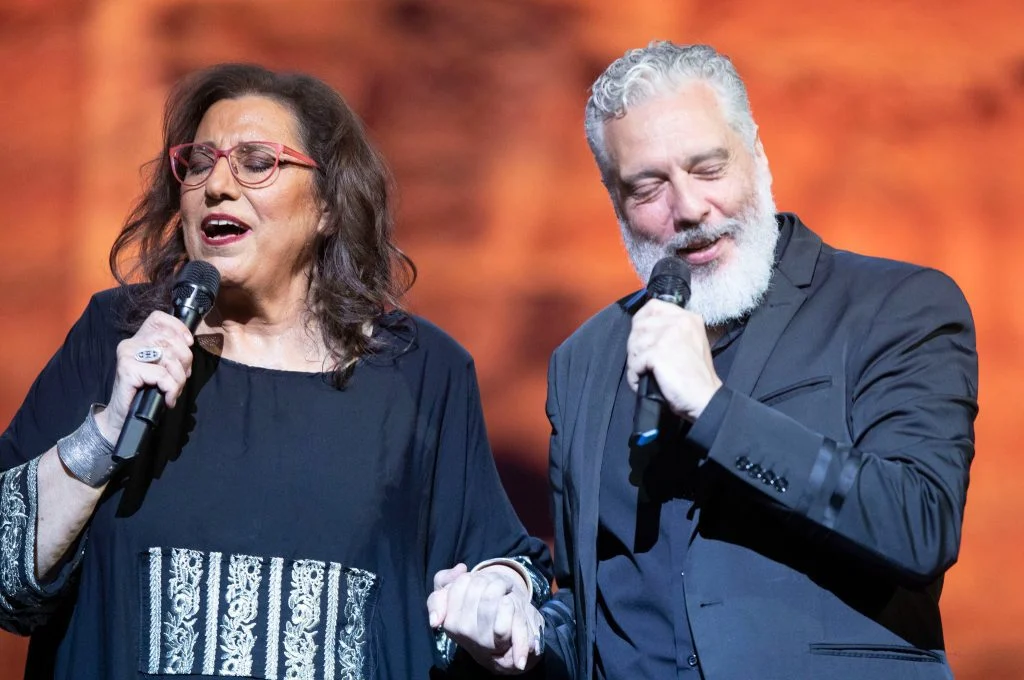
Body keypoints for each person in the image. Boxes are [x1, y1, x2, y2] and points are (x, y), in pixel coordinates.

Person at [432, 41, 978, 679]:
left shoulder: (894, 305)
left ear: (758, 156)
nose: (688, 209)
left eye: (708, 168)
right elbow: (596, 614)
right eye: (648, 187)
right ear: (614, 200)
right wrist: (519, 640)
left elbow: (919, 524)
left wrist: (714, 409)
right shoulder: (584, 361)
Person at [0, 63, 551, 679]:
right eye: (199, 163)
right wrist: (104, 433)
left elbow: (499, 570)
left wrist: (500, 593)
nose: (216, 186)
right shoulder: (118, 338)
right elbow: (4, 572)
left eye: (257, 162)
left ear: (328, 207)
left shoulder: (420, 374)